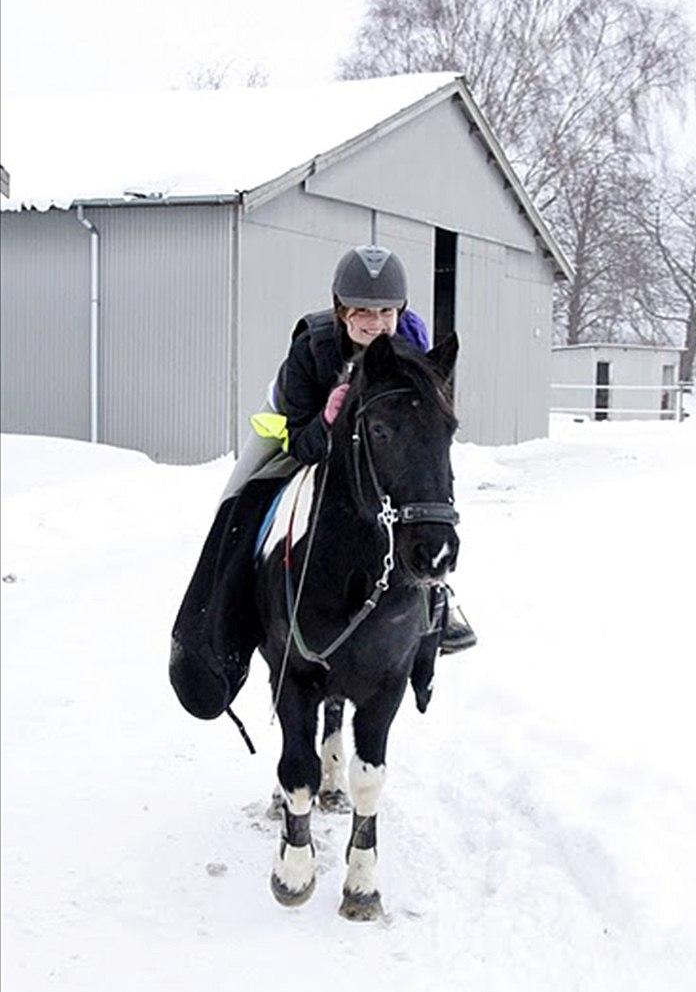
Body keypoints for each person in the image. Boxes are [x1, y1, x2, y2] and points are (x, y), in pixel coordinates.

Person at [169, 245, 476, 722]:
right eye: (362, 313)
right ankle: (223, 609)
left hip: (370, 455)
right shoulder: (312, 345)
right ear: (340, 311)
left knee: (425, 506)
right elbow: (296, 441)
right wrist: (329, 418)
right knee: (241, 500)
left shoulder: (414, 345)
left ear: (402, 311)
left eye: (386, 312)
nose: (375, 324)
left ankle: (437, 600)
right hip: (296, 435)